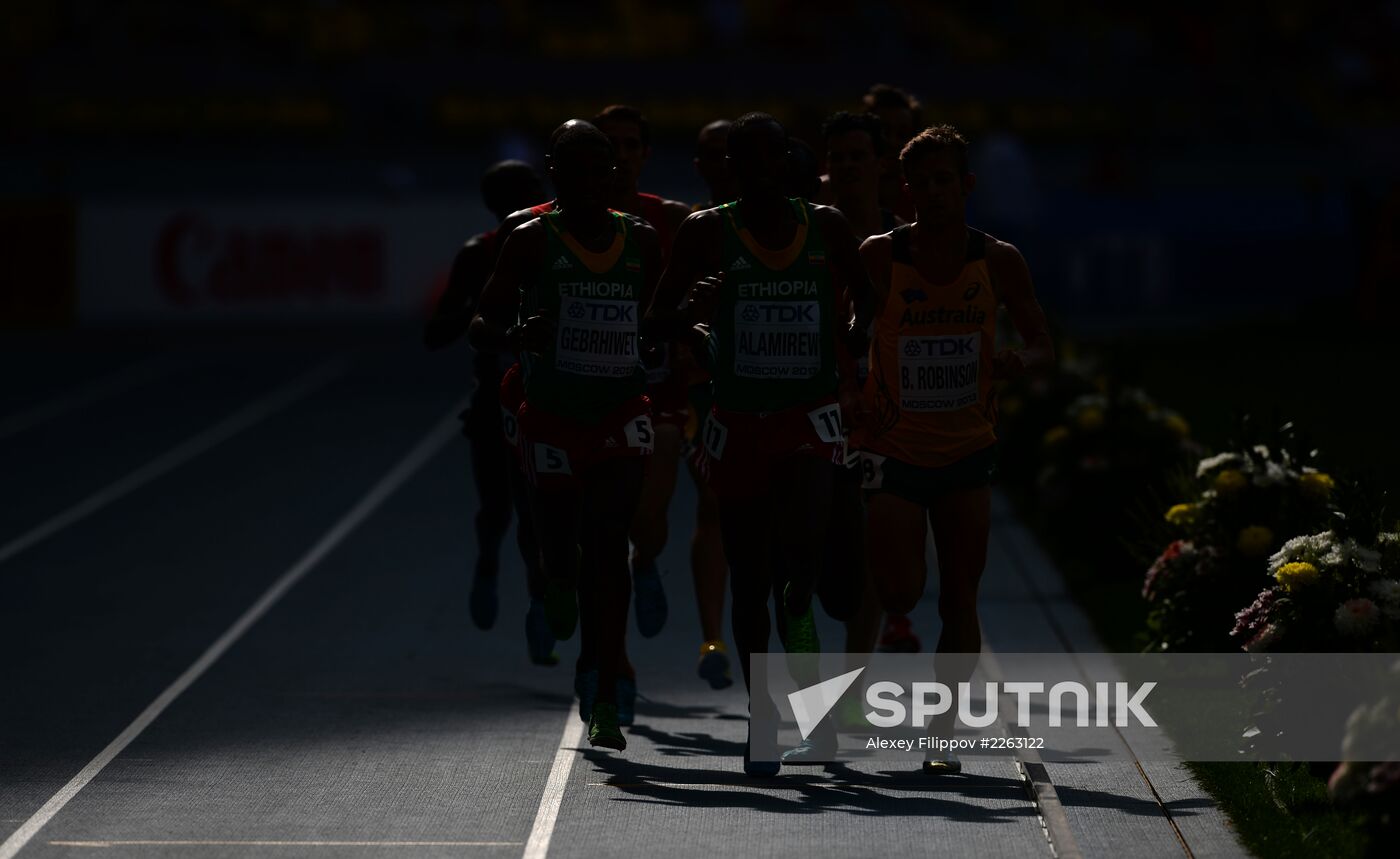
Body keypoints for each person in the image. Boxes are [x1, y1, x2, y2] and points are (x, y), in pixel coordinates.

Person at [646, 112, 874, 776]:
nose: (750, 172)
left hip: (807, 415)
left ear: (785, 160)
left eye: (762, 159)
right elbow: (657, 315)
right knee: (751, 580)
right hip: (739, 419)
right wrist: (693, 311)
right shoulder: (706, 231)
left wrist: (855, 335)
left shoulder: (824, 226)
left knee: (799, 570)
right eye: (737, 162)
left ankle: (809, 699)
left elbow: (866, 296)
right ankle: (765, 714)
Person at [853, 125, 1054, 773]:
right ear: (905, 192)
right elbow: (845, 335)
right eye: (922, 183)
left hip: (968, 449)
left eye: (946, 181)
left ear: (965, 186)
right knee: (901, 590)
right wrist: (856, 390)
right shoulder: (880, 256)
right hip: (896, 449)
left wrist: (1019, 362)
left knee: (959, 596)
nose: (934, 193)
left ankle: (942, 733)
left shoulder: (998, 260)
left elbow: (1042, 342)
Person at [470, 120, 661, 751]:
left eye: (596, 168)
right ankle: (554, 582)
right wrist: (518, 334)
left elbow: (659, 323)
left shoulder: (643, 241)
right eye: (572, 169)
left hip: (617, 413)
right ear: (555, 174)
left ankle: (604, 694)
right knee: (560, 554)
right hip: (549, 415)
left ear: (613, 174)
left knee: (609, 544)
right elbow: (482, 324)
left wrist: (683, 331)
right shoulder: (529, 240)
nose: (586, 181)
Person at [424, 160, 559, 666]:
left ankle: (539, 602)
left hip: (542, 396)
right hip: (490, 402)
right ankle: (486, 560)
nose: (529, 202)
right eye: (518, 195)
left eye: (534, 191)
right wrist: (480, 312)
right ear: (495, 206)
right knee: (497, 508)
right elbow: (433, 336)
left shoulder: (554, 243)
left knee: (533, 510)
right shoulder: (477, 254)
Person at [592, 104, 693, 640]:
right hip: (589, 390)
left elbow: (708, 294)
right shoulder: (555, 225)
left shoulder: (674, 219)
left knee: (647, 513)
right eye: (610, 145)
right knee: (595, 531)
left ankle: (645, 560)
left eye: (631, 145)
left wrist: (687, 335)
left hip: (658, 390)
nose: (621, 156)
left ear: (645, 155)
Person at [862, 84, 923, 223]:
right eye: (884, 132)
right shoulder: (834, 191)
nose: (892, 142)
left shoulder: (922, 197)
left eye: (901, 134)